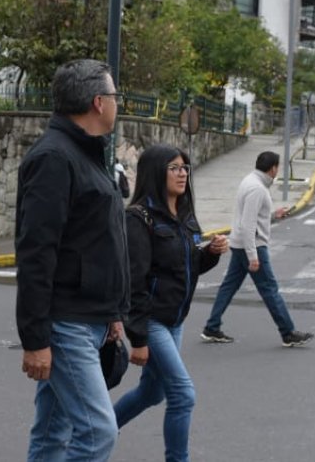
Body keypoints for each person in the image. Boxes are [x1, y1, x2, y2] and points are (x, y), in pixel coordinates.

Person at [15, 59, 129, 462]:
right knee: (98, 433)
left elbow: (98, 242)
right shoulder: (54, 158)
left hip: (90, 318)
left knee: (52, 430)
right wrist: (35, 340)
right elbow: (35, 254)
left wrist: (113, 312)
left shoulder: (87, 154)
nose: (119, 103)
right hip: (66, 325)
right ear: (98, 102)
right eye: (116, 96)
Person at [114, 144, 227, 462]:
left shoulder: (185, 215)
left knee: (154, 392)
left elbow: (187, 266)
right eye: (175, 168)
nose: (183, 174)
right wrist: (138, 338)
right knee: (182, 394)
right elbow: (134, 282)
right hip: (152, 320)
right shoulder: (139, 218)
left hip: (175, 319)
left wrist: (210, 254)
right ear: (156, 172)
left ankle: (99, 428)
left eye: (185, 168)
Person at [201, 151, 313, 348]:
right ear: (273, 168)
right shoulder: (257, 189)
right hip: (251, 246)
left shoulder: (250, 181)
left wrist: (273, 215)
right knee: (270, 290)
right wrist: (253, 255)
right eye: (278, 168)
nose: (278, 171)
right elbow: (248, 224)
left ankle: (212, 327)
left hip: (240, 244)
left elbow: (253, 216)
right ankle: (288, 332)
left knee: (229, 286)